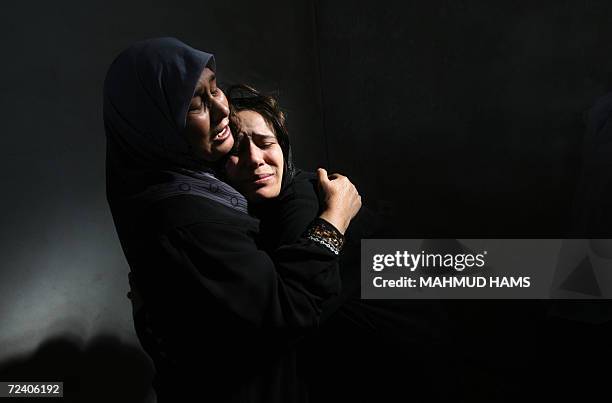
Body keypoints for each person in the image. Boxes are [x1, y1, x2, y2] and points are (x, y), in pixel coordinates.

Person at [103, 37, 361, 402]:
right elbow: (287, 310)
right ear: (159, 125)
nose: (219, 110)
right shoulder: (190, 212)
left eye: (215, 88)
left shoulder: (298, 195)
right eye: (196, 103)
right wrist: (336, 218)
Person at [223, 85, 454, 402]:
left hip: (408, 365)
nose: (254, 159)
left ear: (284, 145)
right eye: (236, 150)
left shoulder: (302, 202)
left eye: (266, 143)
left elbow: (288, 321)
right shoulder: (261, 211)